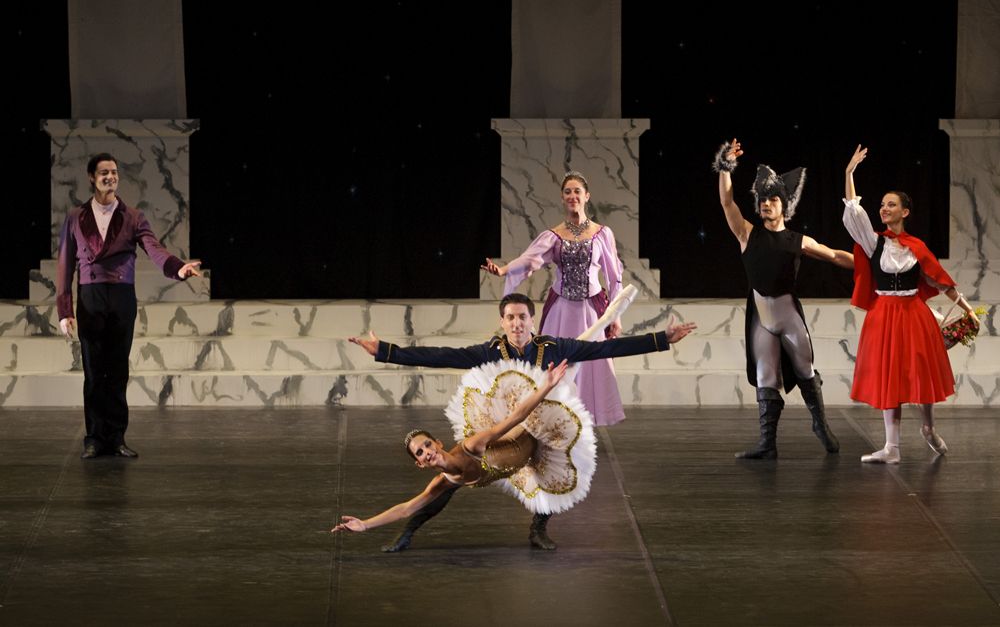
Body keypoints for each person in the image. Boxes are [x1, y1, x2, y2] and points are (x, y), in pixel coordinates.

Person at [349, 291, 697, 550]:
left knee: (554, 477)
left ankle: (538, 527)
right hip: (500, 428)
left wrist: (661, 339)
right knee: (448, 480)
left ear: (532, 320)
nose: (516, 324)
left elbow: (604, 349)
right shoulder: (489, 351)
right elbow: (441, 355)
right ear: (503, 322)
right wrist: (386, 351)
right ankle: (409, 530)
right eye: (510, 318)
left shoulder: (555, 346)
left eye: (522, 317)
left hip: (540, 430)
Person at [332, 359, 579, 547]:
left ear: (437, 442)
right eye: (420, 453)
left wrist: (547, 386)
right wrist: (365, 524)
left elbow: (517, 417)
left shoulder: (472, 446)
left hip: (537, 431)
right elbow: (407, 508)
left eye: (427, 445)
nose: (427, 452)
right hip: (523, 464)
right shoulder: (444, 482)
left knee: (572, 372)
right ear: (419, 464)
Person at [56, 153, 202, 459]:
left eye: (114, 172)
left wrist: (177, 268)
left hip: (121, 297)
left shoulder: (133, 216)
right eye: (104, 172)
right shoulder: (75, 217)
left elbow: (155, 249)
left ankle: (117, 436)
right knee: (95, 372)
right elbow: (65, 266)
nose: (110, 177)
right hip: (90, 296)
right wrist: (65, 311)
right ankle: (95, 438)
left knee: (118, 369)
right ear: (91, 178)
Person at [714, 139, 853, 459]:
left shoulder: (797, 240)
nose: (766, 203)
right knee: (766, 376)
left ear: (785, 204)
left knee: (805, 370)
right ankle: (767, 443)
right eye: (763, 199)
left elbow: (833, 255)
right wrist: (725, 167)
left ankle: (820, 426)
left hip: (788, 315)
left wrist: (869, 264)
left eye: (773, 198)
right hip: (762, 317)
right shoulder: (747, 233)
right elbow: (726, 201)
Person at [843, 145, 978, 463]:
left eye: (891, 205)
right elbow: (853, 212)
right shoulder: (873, 242)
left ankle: (928, 429)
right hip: (884, 314)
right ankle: (892, 448)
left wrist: (968, 309)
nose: (883, 209)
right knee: (890, 375)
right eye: (882, 205)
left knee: (920, 372)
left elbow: (939, 280)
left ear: (905, 211)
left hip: (914, 314)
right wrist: (849, 173)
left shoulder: (916, 247)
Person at [481, 172, 627, 425]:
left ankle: (586, 421)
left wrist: (616, 316)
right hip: (561, 309)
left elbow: (614, 277)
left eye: (577, 191)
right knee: (555, 363)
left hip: (591, 310)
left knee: (591, 365)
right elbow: (529, 259)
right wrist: (504, 270)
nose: (572, 196)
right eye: (568, 192)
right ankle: (554, 419)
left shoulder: (602, 234)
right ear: (562, 198)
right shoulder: (554, 235)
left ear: (586, 196)